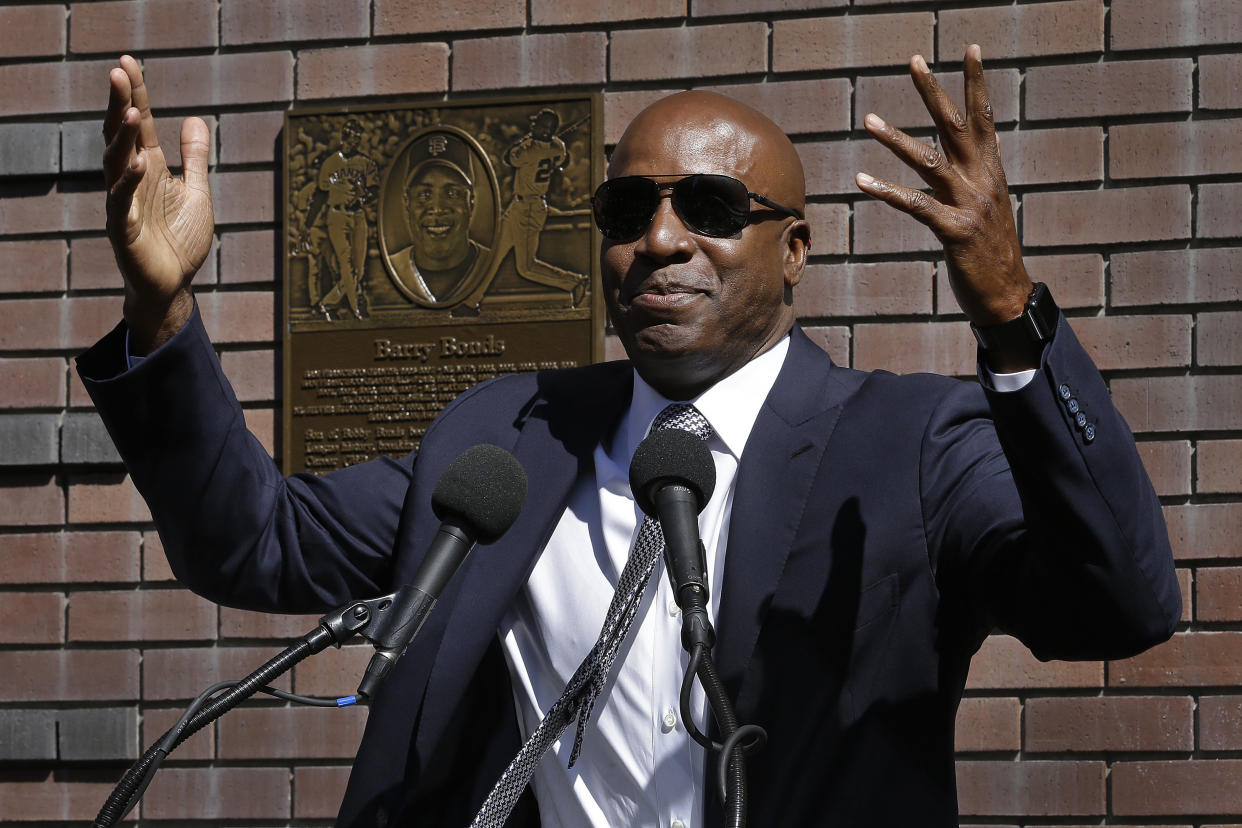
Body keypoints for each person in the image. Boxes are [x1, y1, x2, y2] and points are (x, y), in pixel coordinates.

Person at [83, 49, 1179, 827]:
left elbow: (1117, 603)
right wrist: (163, 318)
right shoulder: (510, 437)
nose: (659, 239)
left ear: (794, 251)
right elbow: (253, 543)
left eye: (708, 205)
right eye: (627, 210)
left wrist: (1012, 318)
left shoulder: (914, 445)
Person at [455, 108, 589, 314]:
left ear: (546, 129)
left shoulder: (529, 148)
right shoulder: (558, 146)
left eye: (538, 124)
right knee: (494, 255)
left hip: (529, 209)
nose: (533, 126)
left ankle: (574, 282)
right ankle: (472, 302)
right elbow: (564, 160)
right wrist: (548, 142)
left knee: (526, 267)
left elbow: (509, 157)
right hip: (520, 206)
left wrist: (531, 141)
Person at [385, 130, 492, 306]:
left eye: (452, 193)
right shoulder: (391, 269)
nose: (437, 208)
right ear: (406, 201)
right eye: (424, 195)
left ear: (471, 200)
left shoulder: (493, 264)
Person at [311, 118, 378, 320]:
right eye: (349, 137)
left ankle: (327, 303)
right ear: (343, 137)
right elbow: (321, 193)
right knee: (346, 262)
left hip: (358, 215)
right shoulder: (330, 163)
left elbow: (374, 189)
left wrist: (363, 196)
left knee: (358, 268)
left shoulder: (366, 163)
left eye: (356, 138)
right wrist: (308, 224)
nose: (352, 142)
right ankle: (358, 306)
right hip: (337, 216)